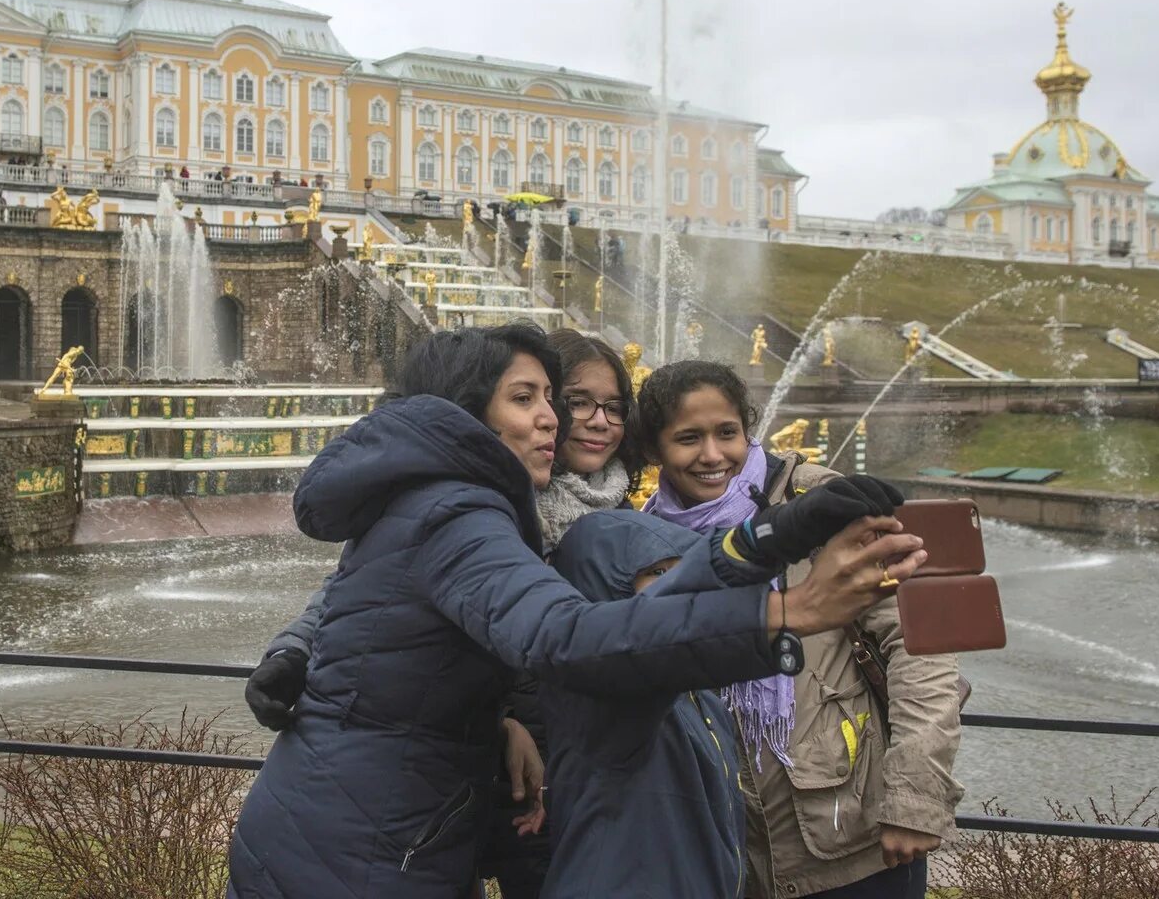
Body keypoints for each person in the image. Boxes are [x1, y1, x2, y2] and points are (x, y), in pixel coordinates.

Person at [228, 324, 919, 899]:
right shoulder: (466, 512)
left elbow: (392, 602)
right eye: (535, 398)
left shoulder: (530, 508)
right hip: (378, 835)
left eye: (606, 404)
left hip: (428, 811)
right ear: (467, 411)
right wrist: (782, 610)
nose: (562, 418)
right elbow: (560, 634)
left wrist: (775, 535)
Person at [245, 327, 646, 897]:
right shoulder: (482, 499)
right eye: (575, 400)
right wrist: (295, 648)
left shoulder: (638, 513)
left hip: (569, 774)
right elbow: (363, 592)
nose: (589, 419)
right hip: (469, 788)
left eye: (613, 406)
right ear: (479, 406)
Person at [631, 360, 964, 899]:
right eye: (688, 438)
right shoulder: (644, 536)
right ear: (655, 450)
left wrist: (915, 796)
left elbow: (920, 643)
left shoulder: (817, 502)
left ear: (749, 429)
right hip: (726, 854)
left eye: (727, 433)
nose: (713, 455)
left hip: (852, 837)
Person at [541, 500, 922, 899]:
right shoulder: (601, 685)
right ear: (599, 586)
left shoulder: (697, 692)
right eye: (655, 573)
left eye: (681, 571)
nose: (680, 587)